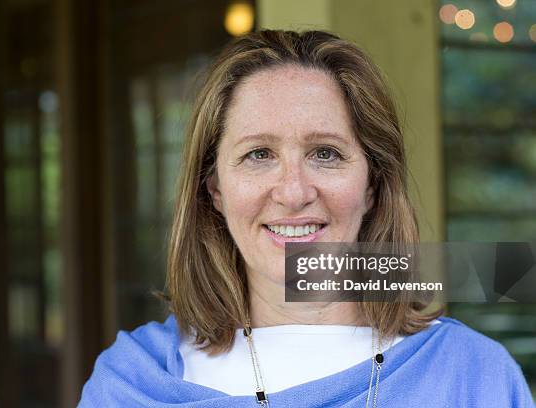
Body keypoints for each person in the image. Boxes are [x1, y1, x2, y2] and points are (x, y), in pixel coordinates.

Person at [78, 30, 534, 407]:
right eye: (259, 154)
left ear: (372, 185)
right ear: (214, 189)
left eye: (326, 153)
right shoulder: (129, 384)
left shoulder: (474, 377)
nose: (294, 192)